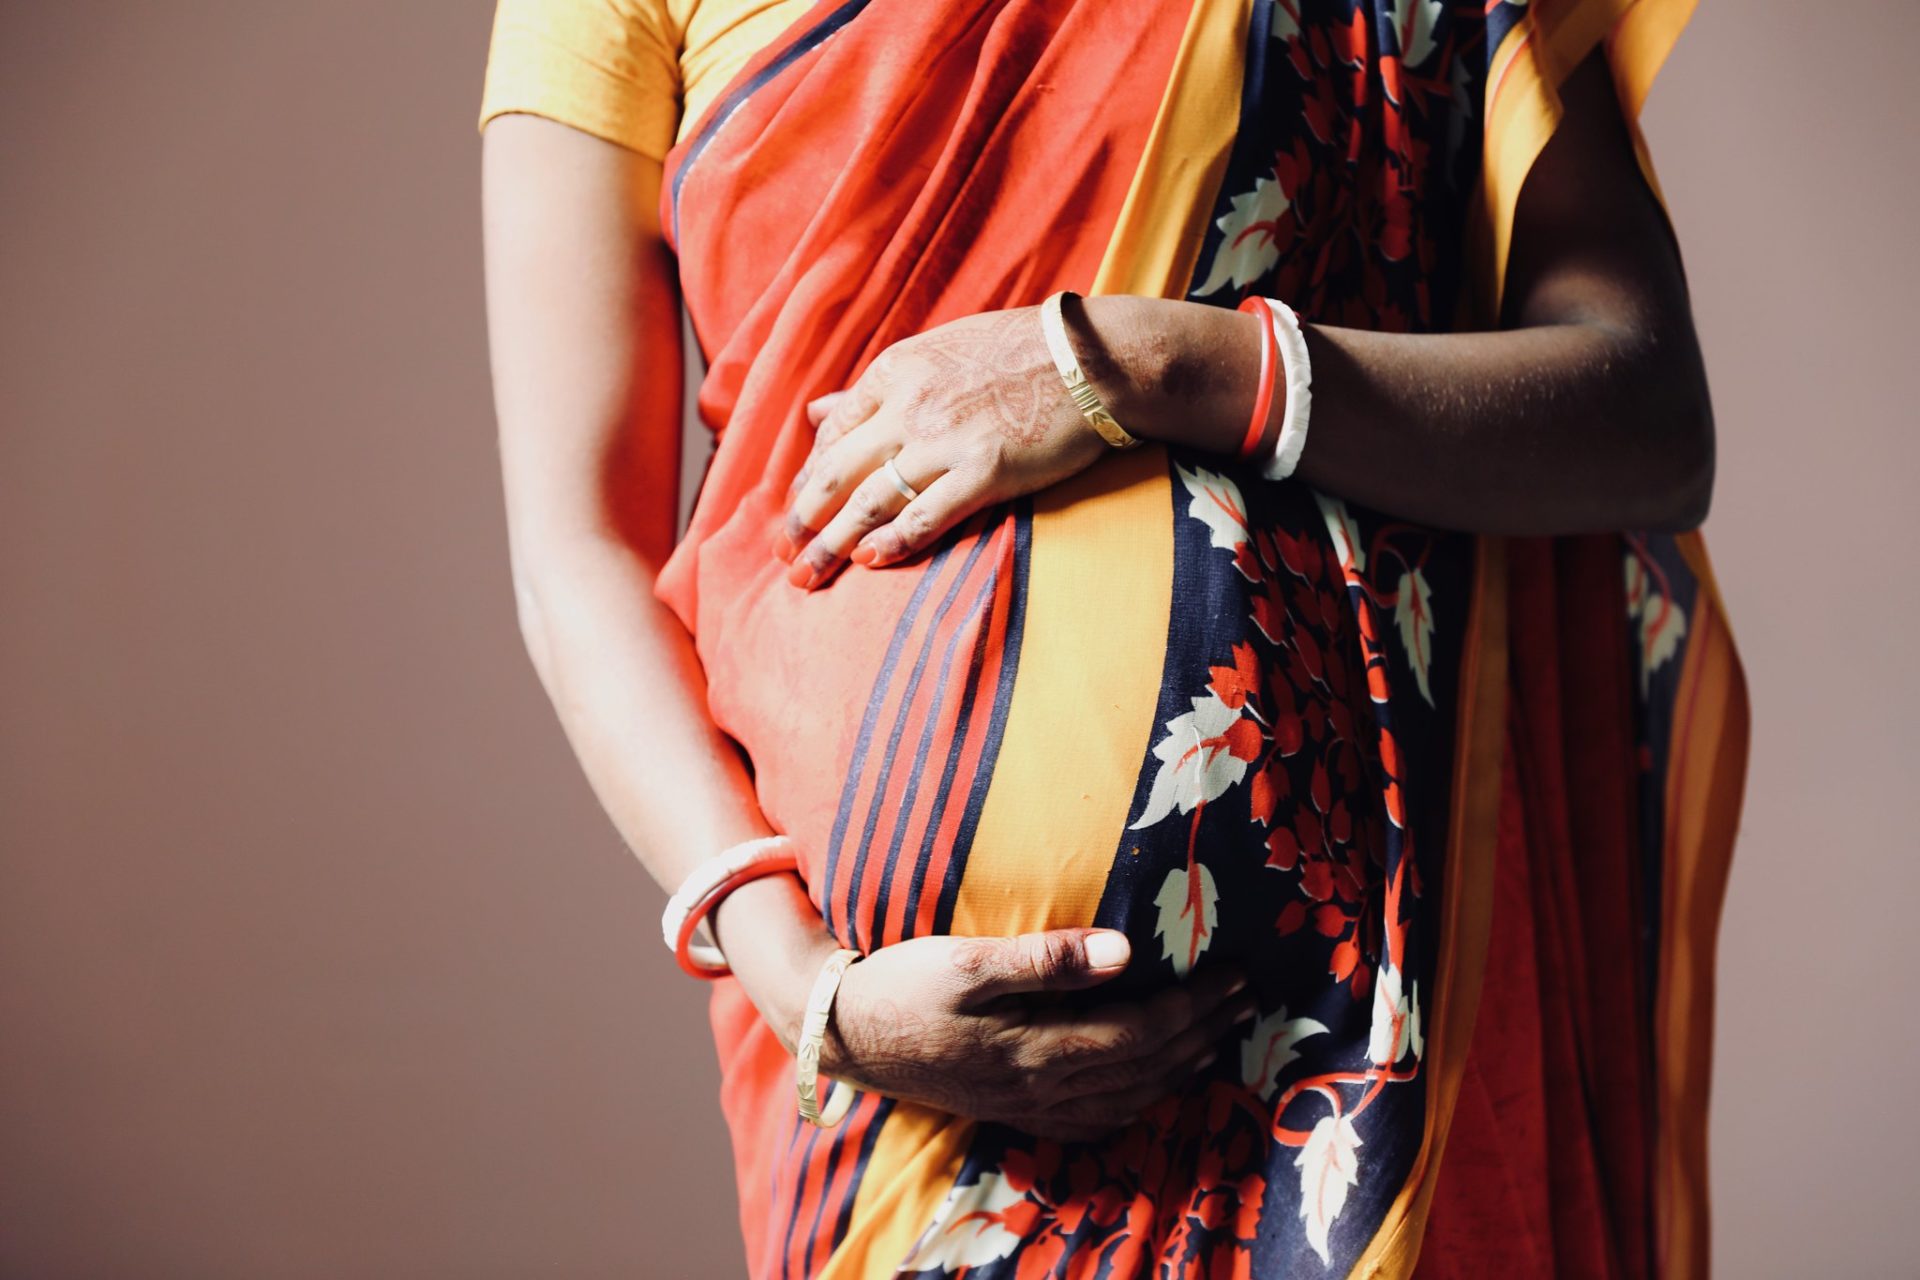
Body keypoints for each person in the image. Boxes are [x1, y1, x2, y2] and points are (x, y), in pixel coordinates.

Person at [477, 0, 1749, 1274]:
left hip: (1390, 1006)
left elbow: (1643, 413)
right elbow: (581, 551)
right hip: (901, 1086)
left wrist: (1145, 360)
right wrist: (810, 986)